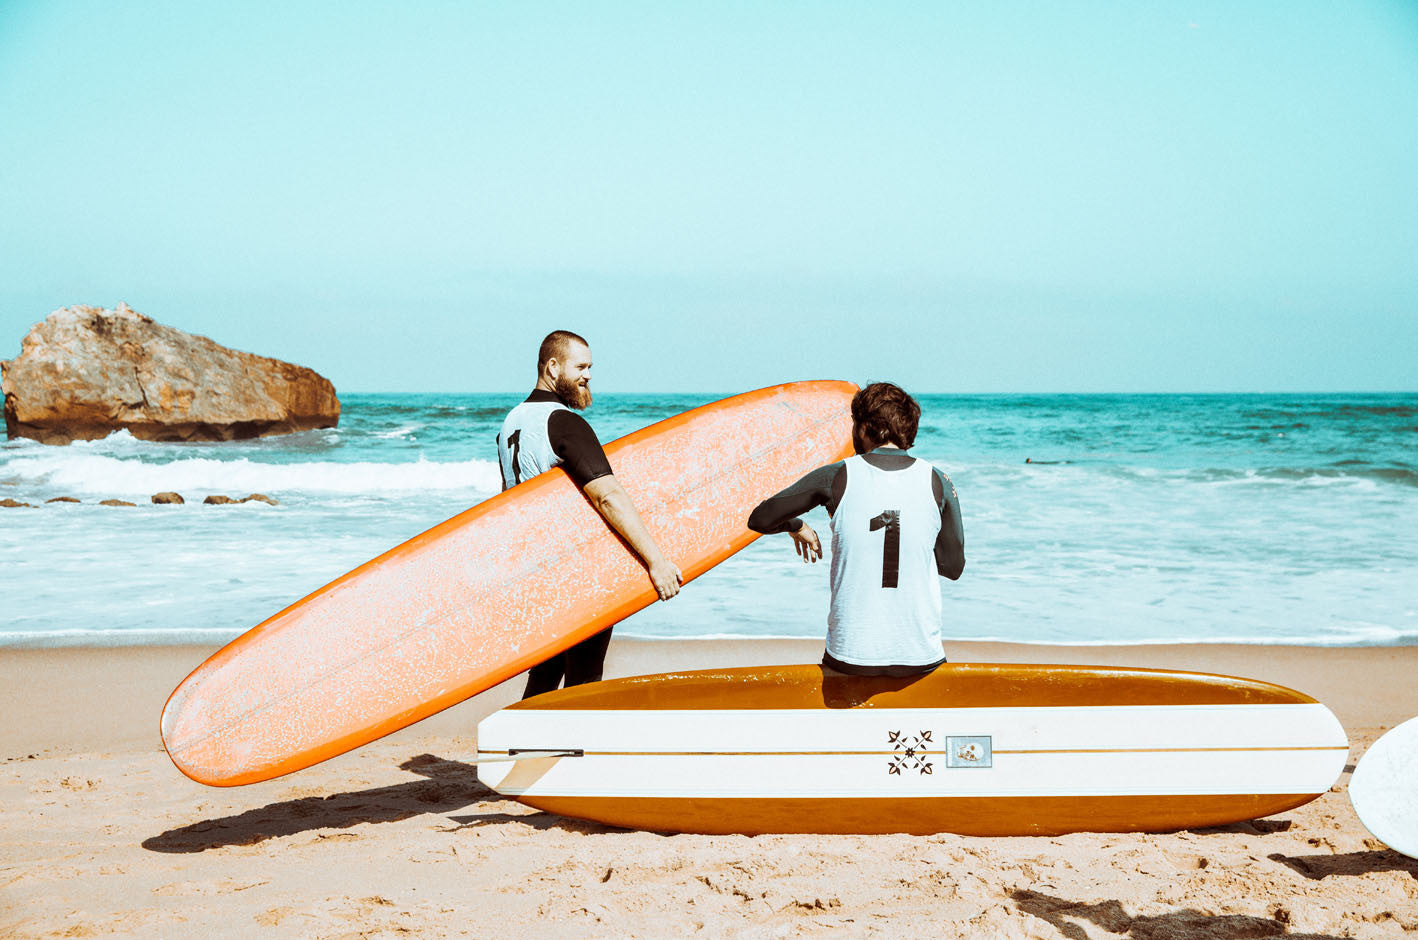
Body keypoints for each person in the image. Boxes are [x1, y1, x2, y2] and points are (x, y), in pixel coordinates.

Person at [498, 330, 682, 698]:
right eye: (581, 366)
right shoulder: (563, 422)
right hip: (574, 573)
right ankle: (564, 752)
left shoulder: (510, 423)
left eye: (590, 367)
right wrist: (656, 561)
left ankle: (528, 750)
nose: (588, 375)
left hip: (532, 570)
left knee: (547, 672)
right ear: (553, 366)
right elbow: (608, 496)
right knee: (583, 679)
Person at [747, 382, 964, 676]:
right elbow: (952, 567)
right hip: (920, 656)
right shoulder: (939, 481)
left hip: (851, 656)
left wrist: (795, 525)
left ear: (864, 428)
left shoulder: (837, 475)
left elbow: (760, 519)